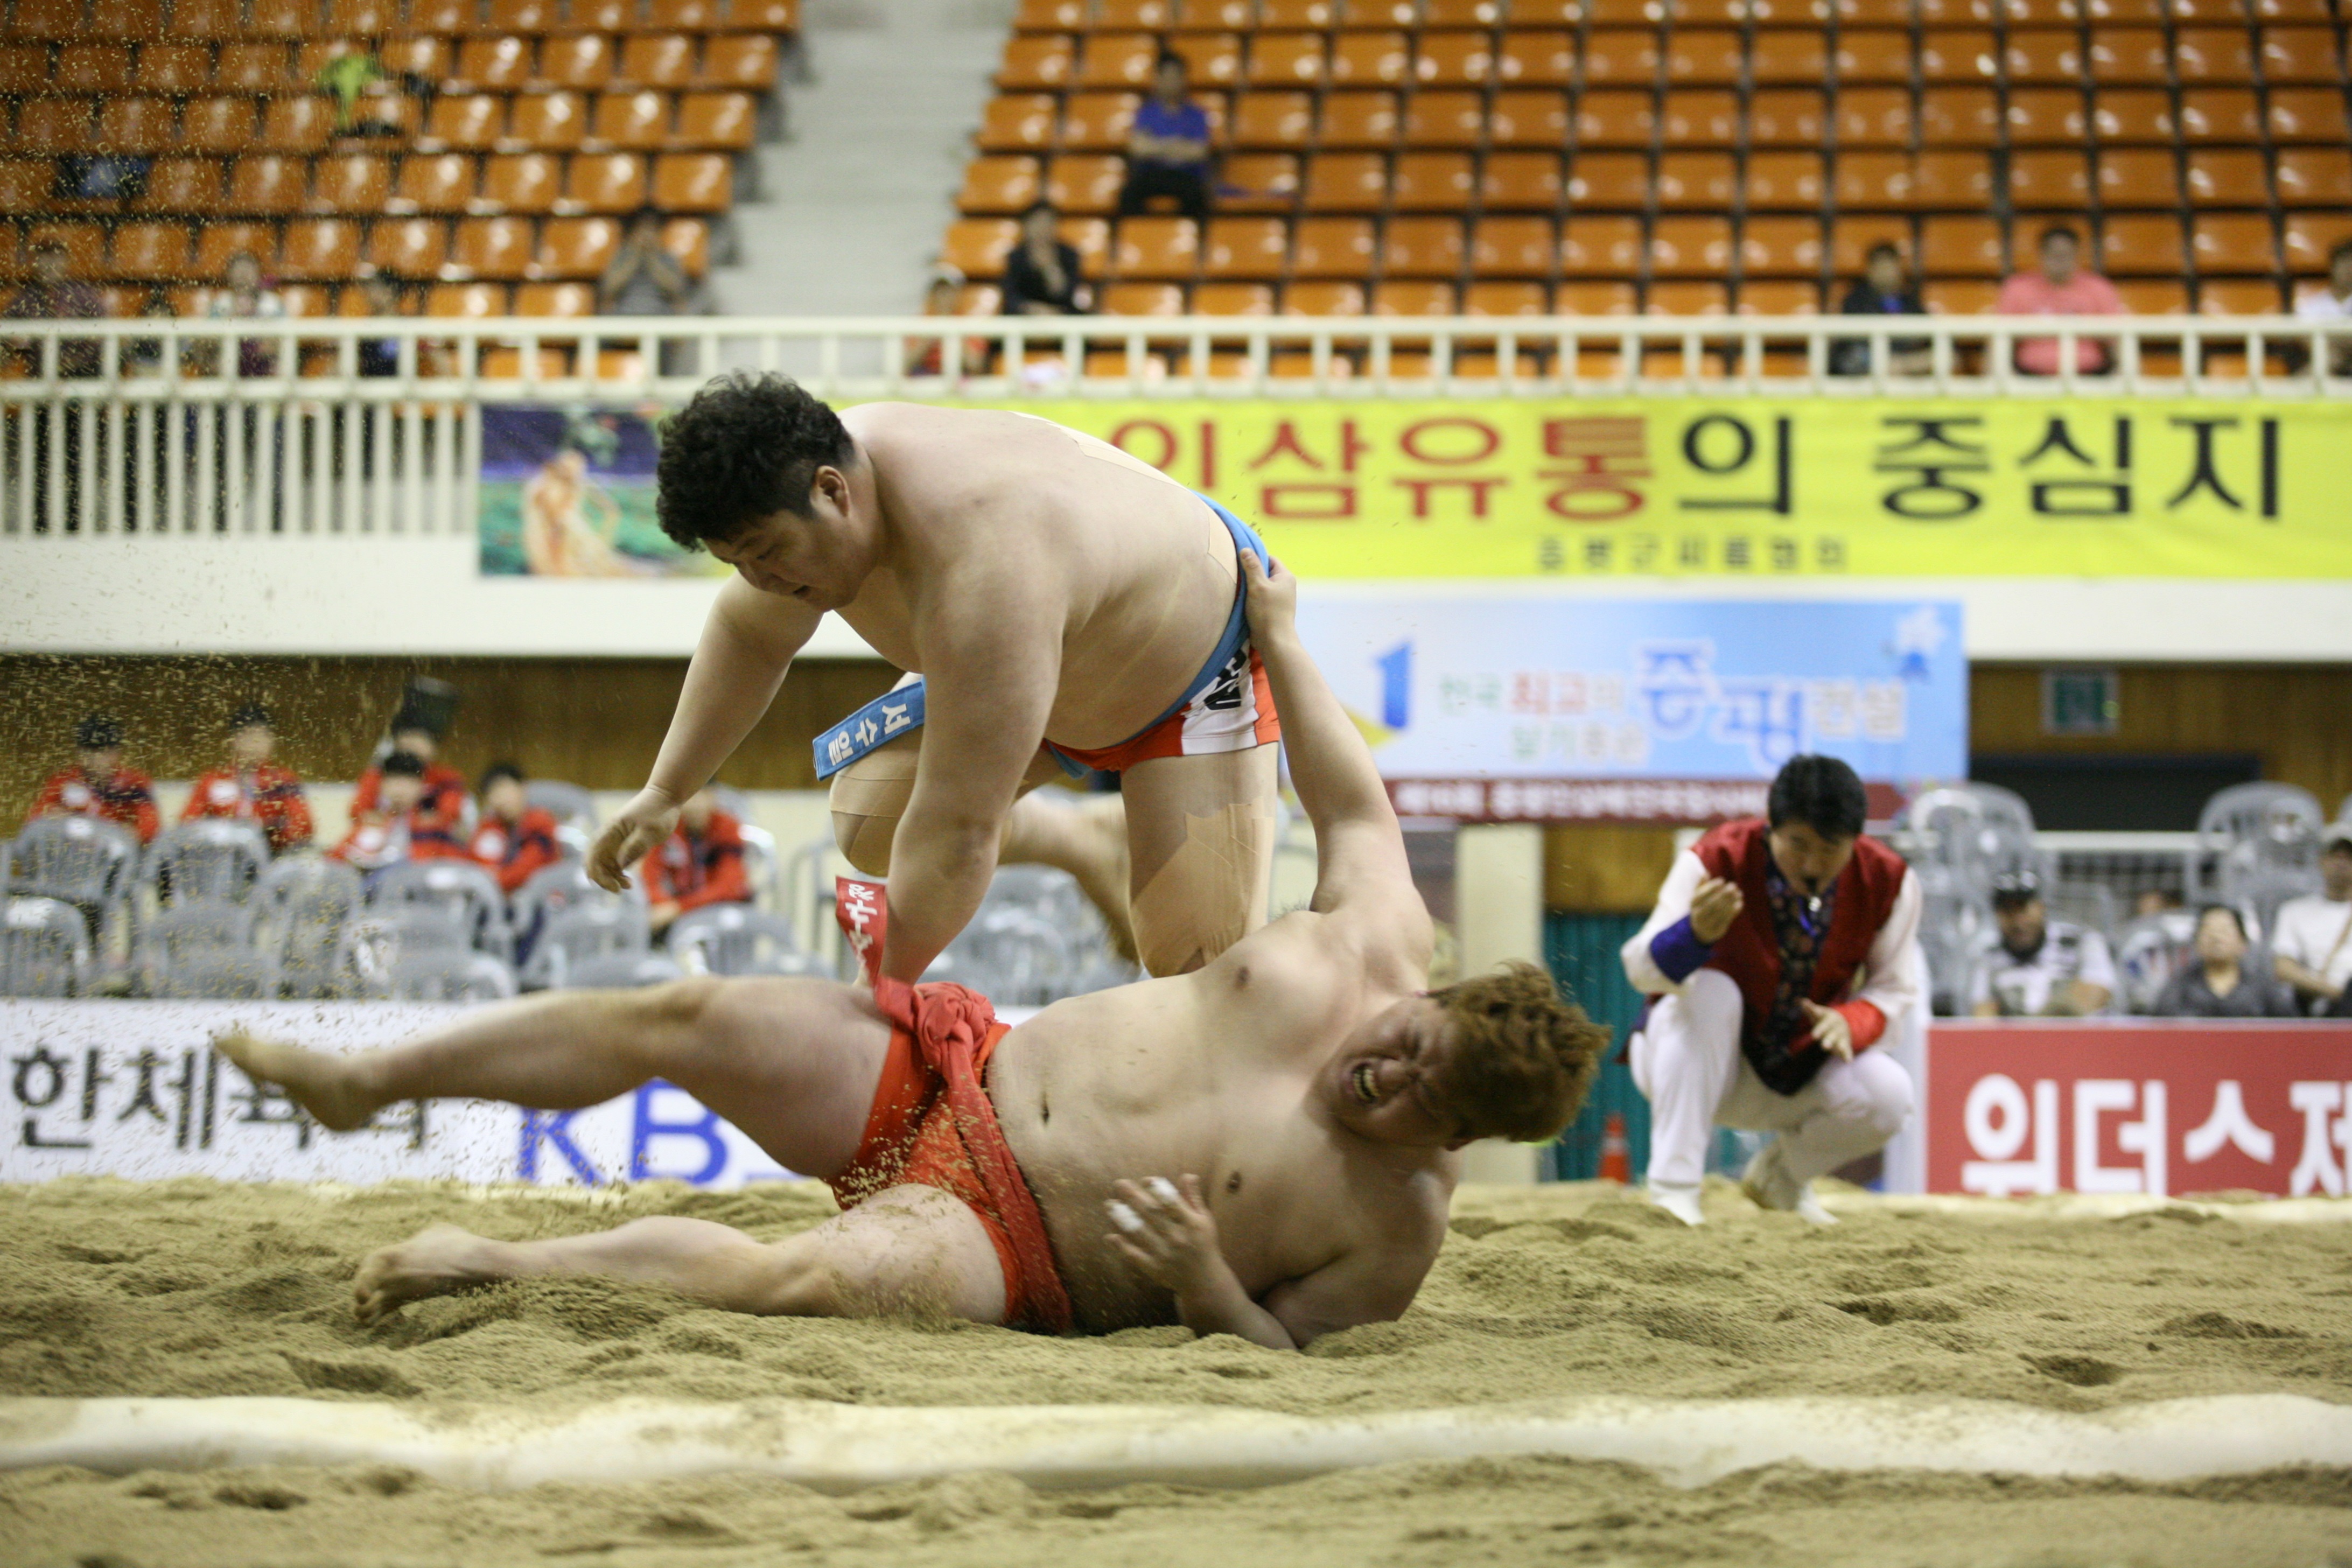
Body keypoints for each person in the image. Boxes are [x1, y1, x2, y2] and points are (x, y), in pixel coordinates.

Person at [214, 554, 1611, 1345]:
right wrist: (1290, 641)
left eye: (1424, 1109)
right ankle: (369, 1079)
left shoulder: (1395, 1228)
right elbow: (1349, 792)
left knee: (801, 1282)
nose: (1389, 1086)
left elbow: (1281, 1347)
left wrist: (1207, 1282)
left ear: (1461, 1144)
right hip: (965, 1069)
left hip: (1012, 1251)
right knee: (687, 1013)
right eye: (1409, 1053)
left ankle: (494, 1264)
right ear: (1435, 999)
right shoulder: (1374, 939)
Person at [585, 374, 1286, 984]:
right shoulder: (819, 481)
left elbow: (959, 831)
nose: (763, 581)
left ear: (833, 493)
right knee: (872, 818)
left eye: (769, 554)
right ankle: (1083, 839)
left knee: (1199, 978)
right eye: (740, 564)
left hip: (1193, 671)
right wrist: (666, 790)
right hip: (1038, 676)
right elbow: (748, 636)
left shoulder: (983, 561)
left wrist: (880, 999)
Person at [1620, 755, 1922, 1228]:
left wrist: (1851, 1020)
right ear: (1771, 829)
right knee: (1712, 992)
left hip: (1796, 1065)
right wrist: (1694, 937)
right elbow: (1640, 968)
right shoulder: (1717, 858)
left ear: (1856, 841)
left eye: (1830, 849)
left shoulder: (1890, 882)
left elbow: (1894, 992)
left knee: (1890, 1095)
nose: (1811, 863)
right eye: (1798, 844)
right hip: (1686, 1061)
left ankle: (1781, 1179)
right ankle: (1673, 1191)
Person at [1970, 873, 2116, 1018]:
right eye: (2008, 911)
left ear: (2041, 908)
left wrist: (2041, 1026)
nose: (2018, 922)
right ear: (1997, 916)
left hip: (2076, 1035)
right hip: (2013, 1039)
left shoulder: (2081, 941)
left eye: (2024, 909)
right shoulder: (1987, 953)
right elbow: (1983, 1011)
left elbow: (2096, 992)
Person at [180, 702, 313, 855]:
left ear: (272, 741)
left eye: (262, 736)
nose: (255, 744)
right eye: (249, 736)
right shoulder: (212, 780)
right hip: (219, 854)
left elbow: (303, 825)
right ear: (234, 740)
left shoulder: (284, 780)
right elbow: (188, 823)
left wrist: (264, 832)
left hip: (272, 855)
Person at [1996, 223, 2125, 376]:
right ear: (2041, 255)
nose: (2060, 262)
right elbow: (1999, 341)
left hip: (2091, 378)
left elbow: (2118, 340)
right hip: (2029, 379)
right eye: (2054, 255)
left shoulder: (2099, 288)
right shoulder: (2017, 288)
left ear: (2078, 255)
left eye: (2066, 255)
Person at [27, 713, 160, 844]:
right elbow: (35, 820)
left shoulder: (134, 783)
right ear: (79, 753)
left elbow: (151, 827)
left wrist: (129, 831)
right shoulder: (64, 781)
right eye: (90, 752)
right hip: (71, 855)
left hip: (116, 856)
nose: (96, 760)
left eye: (104, 752)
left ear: (117, 753)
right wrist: (54, 819)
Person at [640, 787, 752, 939]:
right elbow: (650, 877)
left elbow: (729, 886)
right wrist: (662, 903)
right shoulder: (668, 827)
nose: (694, 805)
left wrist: (679, 908)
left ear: (712, 798)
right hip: (679, 910)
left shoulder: (727, 828)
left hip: (717, 908)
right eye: (689, 798)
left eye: (701, 797)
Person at [351, 707, 471, 848]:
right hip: (384, 841)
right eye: (407, 736)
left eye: (421, 739)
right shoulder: (377, 774)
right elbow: (359, 811)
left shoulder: (446, 777)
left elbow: (450, 814)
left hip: (430, 843)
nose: (413, 743)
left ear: (434, 746)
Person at [1118, 51, 1213, 225]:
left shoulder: (1196, 115)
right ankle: (1140, 237)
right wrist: (1176, 146)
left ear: (1184, 79)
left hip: (1186, 177)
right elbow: (1138, 148)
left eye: (1176, 76)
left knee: (1198, 197)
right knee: (1128, 194)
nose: (1172, 82)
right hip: (1153, 174)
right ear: (1158, 79)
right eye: (1167, 76)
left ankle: (1185, 241)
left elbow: (1199, 152)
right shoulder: (1146, 113)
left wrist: (1156, 146)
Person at [2152, 905, 2296, 1019]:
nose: (2216, 938)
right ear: (2196, 943)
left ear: (2243, 943)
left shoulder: (2263, 989)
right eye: (2209, 930)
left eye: (2225, 930)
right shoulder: (2179, 987)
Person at [331, 750, 464, 872]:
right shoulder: (371, 821)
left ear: (422, 788)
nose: (400, 791)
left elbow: (454, 864)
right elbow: (338, 858)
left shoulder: (434, 824)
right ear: (382, 786)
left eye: (408, 784)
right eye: (394, 783)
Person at [2271, 823, 2352, 1018]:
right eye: (2335, 856)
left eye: (2348, 857)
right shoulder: (2294, 911)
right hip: (2316, 1000)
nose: (2341, 863)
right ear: (2321, 861)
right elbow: (2283, 968)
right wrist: (2333, 992)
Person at [521, 447, 636, 577]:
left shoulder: (581, 483)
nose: (570, 471)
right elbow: (541, 509)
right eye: (566, 467)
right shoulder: (546, 484)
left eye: (576, 467)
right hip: (556, 531)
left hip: (574, 532)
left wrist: (604, 538)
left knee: (594, 567)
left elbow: (612, 510)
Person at [3, 239, 107, 377]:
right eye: (44, 258)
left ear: (66, 262)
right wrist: (14, 340)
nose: (50, 265)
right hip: (42, 374)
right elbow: (7, 331)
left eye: (57, 258)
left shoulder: (83, 294)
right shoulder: (25, 299)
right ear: (34, 263)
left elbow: (104, 327)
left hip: (83, 371)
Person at [1830, 242, 1930, 376]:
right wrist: (1885, 363)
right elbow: (1851, 347)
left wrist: (1903, 363)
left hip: (1905, 367)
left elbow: (1929, 339)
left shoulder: (1910, 302)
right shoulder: (1855, 300)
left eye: (1890, 266)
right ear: (1869, 270)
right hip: (1865, 369)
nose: (1885, 272)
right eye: (1880, 266)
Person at [467, 763, 562, 896]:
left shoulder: (540, 823)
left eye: (505, 790)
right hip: (500, 901)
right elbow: (479, 865)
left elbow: (527, 871)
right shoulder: (490, 827)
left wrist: (491, 880)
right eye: (493, 794)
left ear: (522, 788)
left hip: (542, 900)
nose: (501, 800)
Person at [1000, 200, 1090, 317]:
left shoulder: (1069, 255)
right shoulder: (1016, 257)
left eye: (1048, 223)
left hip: (1061, 315)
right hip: (1025, 316)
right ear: (1026, 226)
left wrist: (1050, 269)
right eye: (1037, 223)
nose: (1042, 229)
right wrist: (1031, 309)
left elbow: (1071, 295)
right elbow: (1011, 296)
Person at [205, 250, 286, 378]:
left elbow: (281, 341)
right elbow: (209, 341)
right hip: (228, 366)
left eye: (248, 269)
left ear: (259, 274)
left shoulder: (273, 304)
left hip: (266, 368)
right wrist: (233, 318)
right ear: (228, 275)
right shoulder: (220, 305)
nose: (243, 275)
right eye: (238, 270)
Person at [2293, 237, 2352, 377]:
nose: (2350, 269)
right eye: (2344, 262)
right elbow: (2305, 339)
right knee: (2329, 358)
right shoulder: (2311, 305)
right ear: (2332, 267)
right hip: (2326, 361)